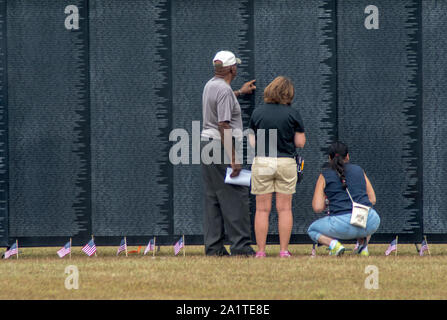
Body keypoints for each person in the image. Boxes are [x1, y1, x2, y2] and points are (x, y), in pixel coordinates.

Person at [201, 50, 256, 256]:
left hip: (206, 144)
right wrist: (234, 158)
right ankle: (241, 247)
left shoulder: (211, 85)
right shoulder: (223, 90)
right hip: (220, 145)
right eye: (236, 66)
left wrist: (240, 92)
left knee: (213, 198)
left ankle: (214, 248)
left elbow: (223, 100)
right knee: (235, 194)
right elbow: (223, 124)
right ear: (232, 68)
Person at [248, 76, 306, 258]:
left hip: (263, 161)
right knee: (285, 209)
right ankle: (283, 250)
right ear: (288, 93)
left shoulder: (257, 113)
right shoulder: (293, 113)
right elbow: (300, 142)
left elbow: (252, 142)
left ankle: (261, 251)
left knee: (262, 209)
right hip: (285, 162)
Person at [307, 141, 380, 256]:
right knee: (367, 211)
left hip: (340, 226)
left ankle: (334, 245)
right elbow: (372, 199)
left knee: (312, 229)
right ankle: (363, 247)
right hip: (369, 222)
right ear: (347, 156)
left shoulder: (324, 175)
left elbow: (317, 207)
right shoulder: (359, 170)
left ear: (329, 158)